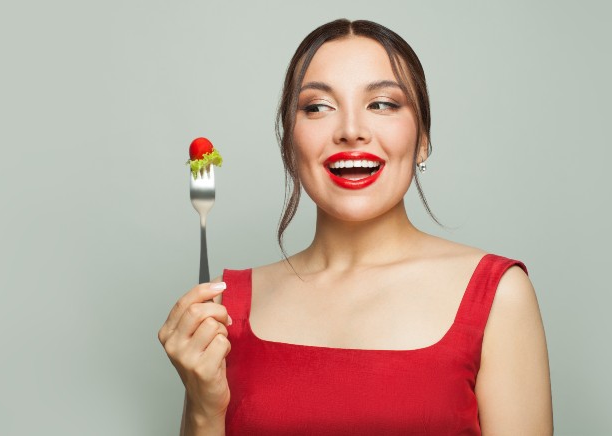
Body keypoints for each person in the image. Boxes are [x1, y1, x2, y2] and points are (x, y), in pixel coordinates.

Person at [159, 18, 553, 435]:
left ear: (422, 139)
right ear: (290, 145)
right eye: (317, 107)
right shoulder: (221, 310)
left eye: (382, 104)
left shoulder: (498, 297)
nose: (350, 131)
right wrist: (204, 409)